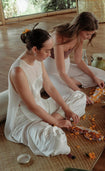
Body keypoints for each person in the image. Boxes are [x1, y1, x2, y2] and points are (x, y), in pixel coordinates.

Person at [4, 26, 86, 157]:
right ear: (35, 49)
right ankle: (51, 122)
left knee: (79, 96)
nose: (50, 55)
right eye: (47, 51)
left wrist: (66, 109)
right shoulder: (18, 71)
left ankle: (52, 119)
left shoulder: (38, 59)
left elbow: (50, 87)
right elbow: (31, 106)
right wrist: (57, 123)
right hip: (25, 119)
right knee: (56, 142)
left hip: (42, 107)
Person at [44, 12, 105, 104]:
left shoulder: (79, 37)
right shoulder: (59, 37)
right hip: (53, 72)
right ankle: (53, 84)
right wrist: (79, 92)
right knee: (75, 97)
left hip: (67, 69)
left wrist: (94, 77)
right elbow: (61, 72)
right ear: (79, 29)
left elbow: (78, 61)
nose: (89, 37)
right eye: (87, 34)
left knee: (101, 75)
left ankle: (65, 83)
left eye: (91, 34)